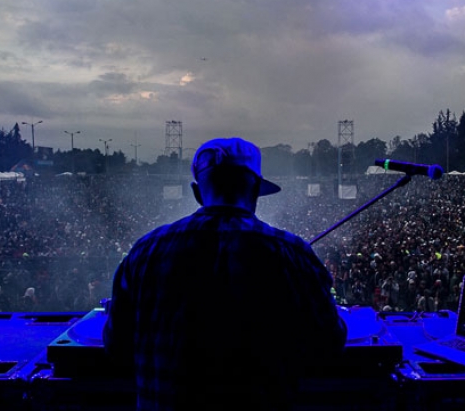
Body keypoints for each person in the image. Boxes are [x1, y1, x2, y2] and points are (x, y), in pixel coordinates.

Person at [103, 137, 348, 410]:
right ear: (255, 189)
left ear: (197, 193)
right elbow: (329, 345)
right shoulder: (291, 252)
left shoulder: (145, 251)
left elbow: (116, 346)